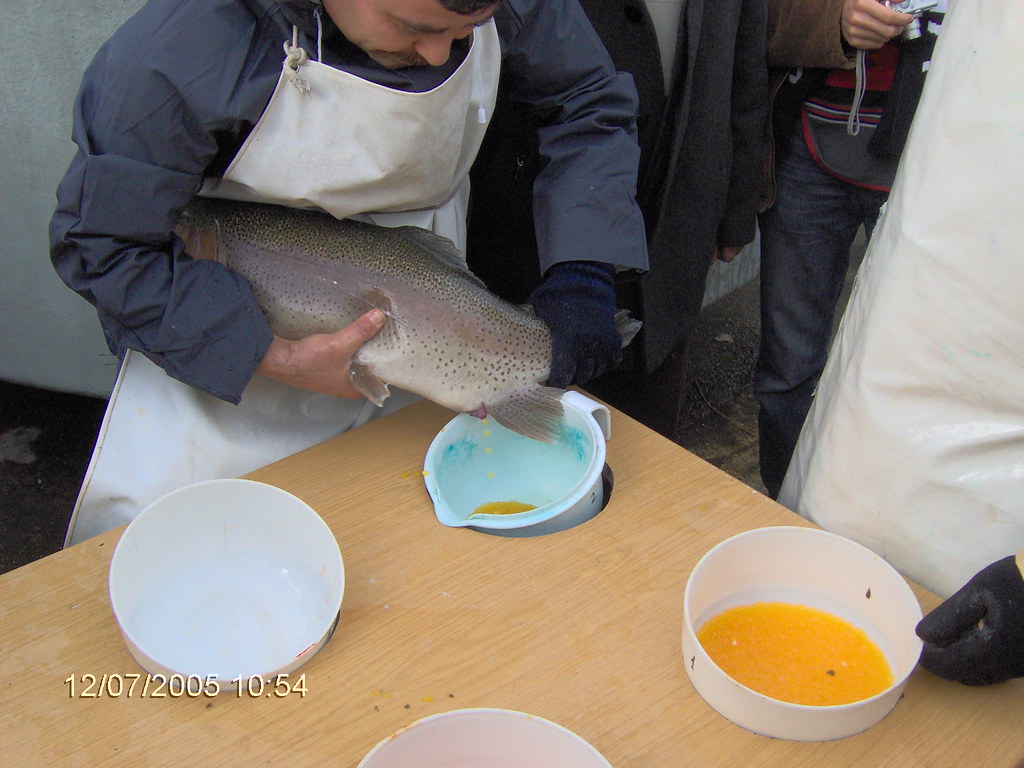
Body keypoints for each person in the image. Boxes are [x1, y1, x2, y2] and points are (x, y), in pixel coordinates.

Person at [49, 0, 649, 545]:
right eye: (418, 29)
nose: (440, 56)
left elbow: (587, 101)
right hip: (213, 344)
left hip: (425, 311)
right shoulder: (176, 53)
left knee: (411, 549)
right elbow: (102, 244)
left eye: (468, 32)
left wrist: (583, 265)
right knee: (202, 554)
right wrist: (269, 355)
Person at [755, 0, 945, 499]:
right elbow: (753, 20)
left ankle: (881, 528)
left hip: (934, 146)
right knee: (788, 365)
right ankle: (784, 509)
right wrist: (830, 21)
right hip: (810, 140)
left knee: (913, 369)